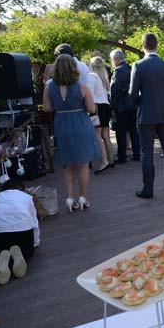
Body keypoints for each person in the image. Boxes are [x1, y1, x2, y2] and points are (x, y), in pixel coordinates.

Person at [43, 54, 101, 212]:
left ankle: (69, 198)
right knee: (83, 165)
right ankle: (82, 197)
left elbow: (47, 108)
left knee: (68, 165)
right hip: (80, 123)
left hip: (61, 124)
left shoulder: (49, 88)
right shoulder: (82, 87)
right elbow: (91, 109)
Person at [129, 32, 164, 199]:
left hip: (146, 114)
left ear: (143, 46)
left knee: (146, 152)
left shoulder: (138, 66)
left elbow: (132, 94)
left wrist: (141, 104)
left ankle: (148, 189)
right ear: (156, 45)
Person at [0, 178, 39, 285]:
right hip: (21, 229)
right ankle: (21, 256)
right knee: (28, 250)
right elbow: (34, 222)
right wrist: (35, 242)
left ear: (3, 190)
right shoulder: (27, 197)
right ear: (22, 189)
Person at [109, 49, 140, 163]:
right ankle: (136, 153)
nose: (112, 62)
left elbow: (115, 90)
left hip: (122, 105)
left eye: (112, 60)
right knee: (133, 130)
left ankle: (122, 156)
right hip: (132, 103)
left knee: (121, 131)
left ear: (117, 59)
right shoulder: (130, 68)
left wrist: (112, 106)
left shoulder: (118, 71)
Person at [87, 56, 114, 174]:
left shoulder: (92, 76)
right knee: (106, 136)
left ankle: (104, 161)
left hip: (97, 107)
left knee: (97, 135)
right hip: (105, 107)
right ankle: (111, 159)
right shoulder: (104, 78)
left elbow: (89, 94)